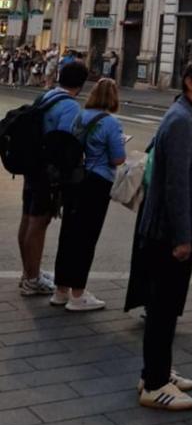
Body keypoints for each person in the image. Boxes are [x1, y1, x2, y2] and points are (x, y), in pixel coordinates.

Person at [131, 57, 192, 411]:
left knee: (167, 307)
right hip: (168, 233)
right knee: (163, 307)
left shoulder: (187, 115)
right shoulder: (183, 120)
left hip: (168, 228)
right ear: (189, 82)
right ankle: (155, 385)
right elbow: (175, 184)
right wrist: (182, 237)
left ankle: (156, 371)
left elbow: (185, 173)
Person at [51, 78, 126, 311]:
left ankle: (61, 290)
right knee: (87, 237)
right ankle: (78, 294)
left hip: (75, 179)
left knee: (68, 234)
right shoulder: (111, 123)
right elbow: (118, 158)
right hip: (97, 182)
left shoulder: (80, 116)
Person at [17, 60, 89, 297]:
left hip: (32, 165)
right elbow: (64, 142)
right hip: (47, 172)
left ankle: (28, 273)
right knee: (39, 222)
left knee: (28, 218)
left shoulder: (47, 96)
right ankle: (32, 280)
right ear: (81, 84)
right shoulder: (70, 106)